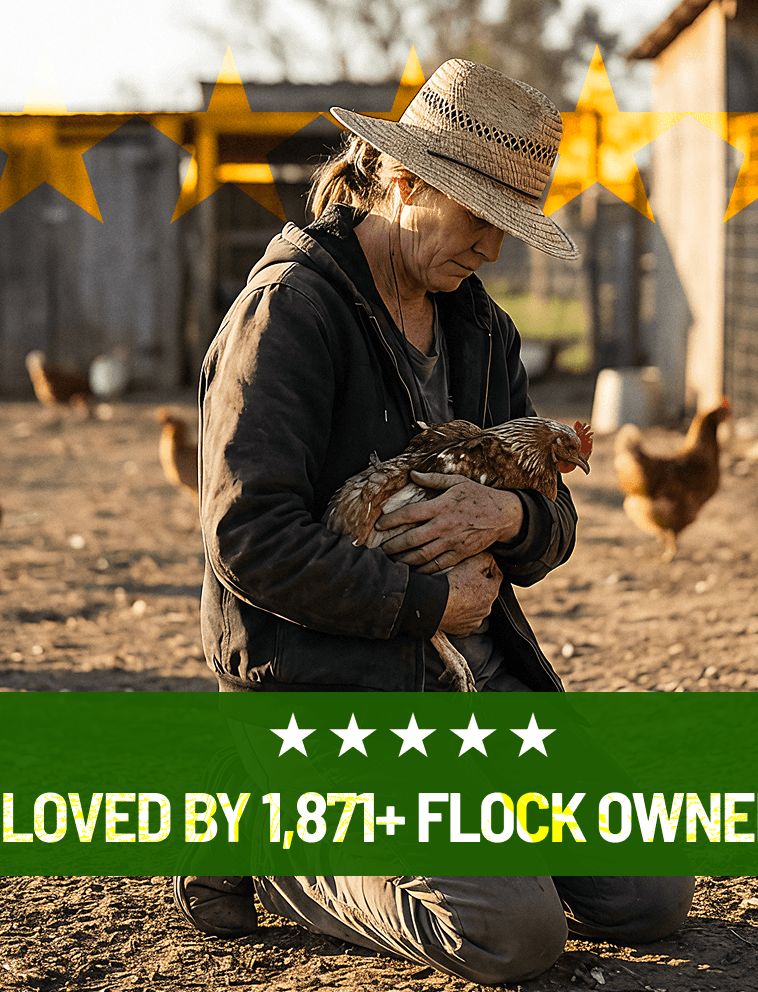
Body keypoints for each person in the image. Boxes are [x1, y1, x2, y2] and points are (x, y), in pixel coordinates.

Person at [174, 58, 694, 984]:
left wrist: (508, 515)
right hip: (333, 700)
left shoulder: (479, 326)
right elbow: (246, 539)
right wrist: (426, 601)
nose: (493, 251)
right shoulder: (291, 310)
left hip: (472, 693)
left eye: (507, 230)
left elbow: (555, 523)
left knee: (653, 892)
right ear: (407, 180)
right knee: (516, 934)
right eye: (480, 222)